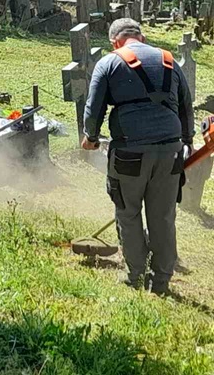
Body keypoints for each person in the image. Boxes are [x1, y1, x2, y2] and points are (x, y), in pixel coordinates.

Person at [82, 18, 194, 294]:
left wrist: (91, 138)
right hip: (170, 151)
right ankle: (161, 281)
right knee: (163, 216)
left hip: (129, 152)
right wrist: (187, 141)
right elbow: (186, 105)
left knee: (128, 212)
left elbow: (93, 106)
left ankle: (135, 275)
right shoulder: (169, 61)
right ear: (141, 38)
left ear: (114, 42)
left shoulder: (109, 63)